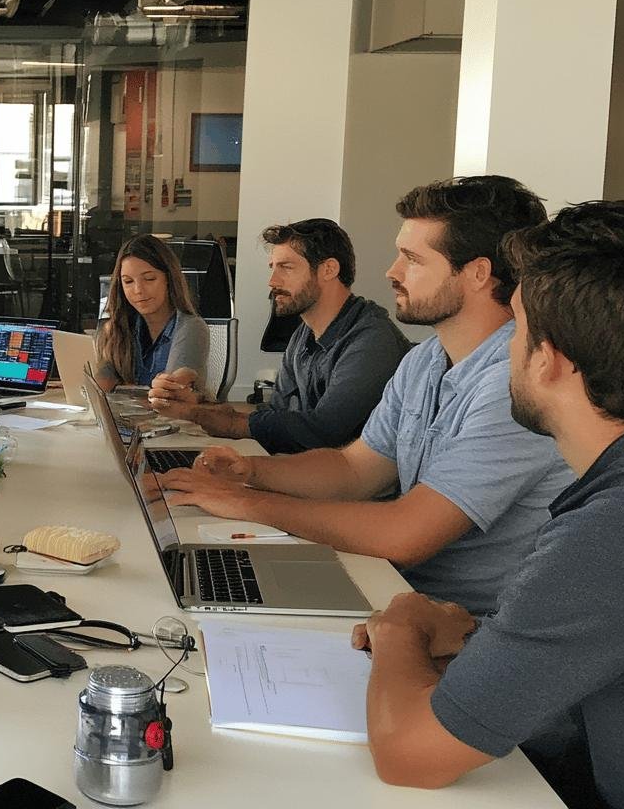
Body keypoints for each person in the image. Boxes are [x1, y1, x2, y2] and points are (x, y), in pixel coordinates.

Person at [355, 200, 624, 809]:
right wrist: (475, 637)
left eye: (515, 327)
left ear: (551, 361)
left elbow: (409, 755)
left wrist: (401, 629)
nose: (503, 350)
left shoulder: (620, 527)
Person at [161, 176, 571, 616]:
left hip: (460, 626)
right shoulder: (426, 359)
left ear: (477, 272)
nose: (392, 272)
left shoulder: (517, 383)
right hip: (389, 588)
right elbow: (354, 469)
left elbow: (406, 535)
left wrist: (244, 502)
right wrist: (249, 471)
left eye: (412, 259)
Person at [147, 219, 409, 453]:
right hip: (310, 475)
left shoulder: (371, 340)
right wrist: (199, 406)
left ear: (328, 270)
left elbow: (324, 431)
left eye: (286, 267)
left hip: (353, 494)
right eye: (273, 267)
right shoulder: (304, 334)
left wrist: (202, 416)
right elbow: (275, 414)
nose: (272, 281)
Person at [93, 234, 210, 394]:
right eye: (128, 281)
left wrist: (122, 390)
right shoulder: (119, 329)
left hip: (170, 419)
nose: (138, 290)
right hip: (123, 417)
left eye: (149, 279)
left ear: (168, 278)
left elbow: (171, 398)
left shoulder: (191, 328)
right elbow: (99, 389)